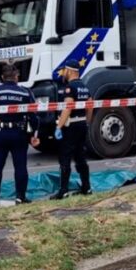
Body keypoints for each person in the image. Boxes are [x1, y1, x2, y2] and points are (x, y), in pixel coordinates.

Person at [0, 64, 40, 207]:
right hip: (19, 133)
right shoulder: (25, 93)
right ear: (16, 77)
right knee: (20, 166)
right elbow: (34, 116)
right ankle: (20, 198)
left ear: (2, 77)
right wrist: (34, 134)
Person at [51, 60, 93, 200]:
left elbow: (67, 108)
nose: (63, 73)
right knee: (80, 157)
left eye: (64, 71)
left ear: (70, 71)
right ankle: (86, 187)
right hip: (81, 124)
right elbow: (90, 106)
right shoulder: (85, 87)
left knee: (65, 157)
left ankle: (63, 190)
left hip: (71, 126)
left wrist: (59, 127)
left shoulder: (70, 88)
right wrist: (87, 121)